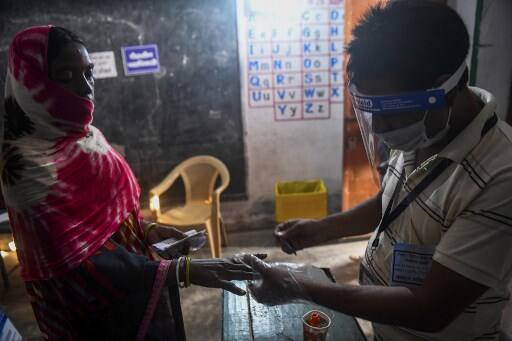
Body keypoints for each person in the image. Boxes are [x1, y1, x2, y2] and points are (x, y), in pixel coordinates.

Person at [244, 1, 512, 340]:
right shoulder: (425, 126)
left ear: (443, 89)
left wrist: (299, 286)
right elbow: (395, 201)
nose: (382, 128)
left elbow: (430, 309)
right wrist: (323, 228)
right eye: (373, 111)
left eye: (392, 112)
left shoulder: (501, 174)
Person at [1, 25, 257, 340]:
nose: (85, 87)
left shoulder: (87, 138)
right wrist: (184, 270)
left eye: (89, 73)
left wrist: (147, 230)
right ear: (29, 83)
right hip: (96, 317)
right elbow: (79, 262)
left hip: (138, 284)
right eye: (66, 76)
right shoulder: (23, 168)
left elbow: (110, 220)